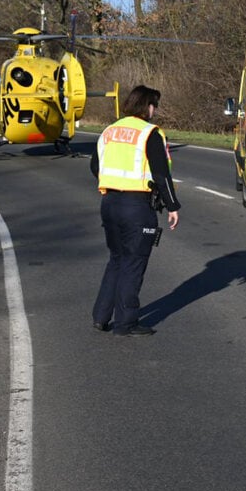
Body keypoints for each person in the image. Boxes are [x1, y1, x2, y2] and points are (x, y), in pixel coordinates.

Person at [90, 85, 180, 336]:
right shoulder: (149, 133)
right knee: (133, 262)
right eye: (155, 106)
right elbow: (162, 174)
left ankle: (101, 316)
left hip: (109, 203)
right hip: (137, 205)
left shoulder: (109, 130)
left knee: (117, 259)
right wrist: (172, 206)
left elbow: (95, 165)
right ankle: (126, 322)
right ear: (147, 106)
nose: (156, 111)